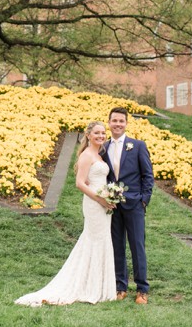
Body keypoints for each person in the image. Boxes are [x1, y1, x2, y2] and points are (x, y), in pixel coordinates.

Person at [15, 121, 117, 307]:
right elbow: (80, 183)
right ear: (88, 135)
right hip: (94, 204)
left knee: (101, 240)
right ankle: (86, 287)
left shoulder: (100, 154)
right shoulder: (87, 155)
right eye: (97, 133)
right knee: (93, 240)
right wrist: (101, 199)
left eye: (103, 133)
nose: (101, 136)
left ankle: (98, 286)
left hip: (103, 205)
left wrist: (110, 196)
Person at [102, 107, 154, 304]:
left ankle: (142, 289)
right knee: (117, 246)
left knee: (137, 246)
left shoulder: (138, 146)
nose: (117, 124)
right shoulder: (103, 147)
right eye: (114, 120)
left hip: (134, 205)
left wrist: (143, 200)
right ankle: (120, 286)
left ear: (126, 124)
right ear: (109, 123)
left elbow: (147, 175)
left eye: (121, 121)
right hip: (113, 206)